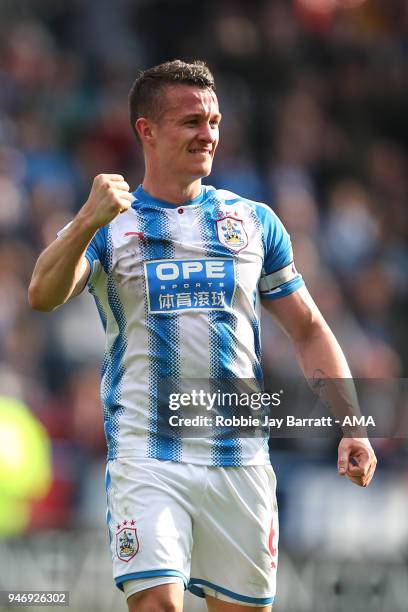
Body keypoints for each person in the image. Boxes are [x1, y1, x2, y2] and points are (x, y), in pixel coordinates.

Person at [28, 60, 377, 612]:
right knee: (159, 605)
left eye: (213, 121)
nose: (208, 134)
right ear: (147, 130)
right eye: (191, 121)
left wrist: (351, 422)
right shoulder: (109, 225)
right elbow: (42, 294)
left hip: (241, 459)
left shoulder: (253, 221)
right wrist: (86, 220)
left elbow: (308, 327)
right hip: (148, 455)